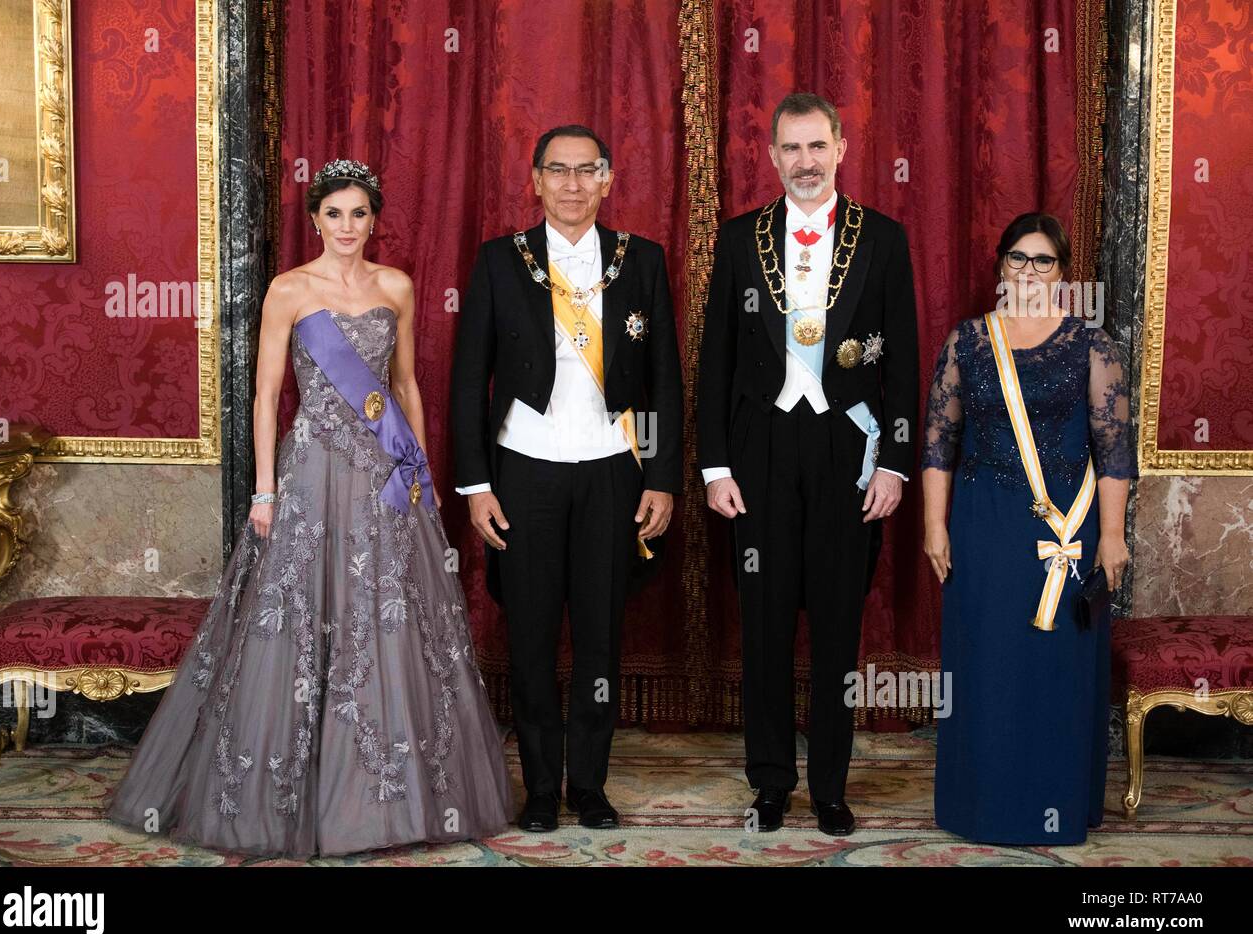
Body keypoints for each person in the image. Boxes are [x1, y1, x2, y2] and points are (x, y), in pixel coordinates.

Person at [106, 159, 513, 858]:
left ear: (374, 219)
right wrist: (265, 489)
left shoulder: (397, 287)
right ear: (315, 219)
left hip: (385, 478)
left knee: (388, 627)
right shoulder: (289, 290)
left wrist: (418, 467)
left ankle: (391, 798)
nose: (347, 227)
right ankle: (289, 798)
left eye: (359, 214)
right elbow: (267, 397)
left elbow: (407, 385)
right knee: (294, 626)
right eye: (334, 214)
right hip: (312, 475)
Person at [697, 93, 919, 835]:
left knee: (835, 628)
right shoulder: (738, 241)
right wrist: (713, 467)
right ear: (771, 156)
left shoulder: (883, 240)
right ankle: (769, 784)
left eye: (817, 146)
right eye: (790, 149)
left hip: (846, 453)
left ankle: (829, 785)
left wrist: (895, 464)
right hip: (759, 454)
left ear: (842, 147)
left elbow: (906, 364)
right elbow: (715, 362)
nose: (805, 162)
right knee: (762, 629)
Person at [450, 125, 682, 832]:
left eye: (588, 171)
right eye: (559, 171)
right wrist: (475, 485)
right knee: (530, 635)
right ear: (536, 180)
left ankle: (590, 787)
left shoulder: (640, 260)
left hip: (614, 470)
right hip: (524, 471)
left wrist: (663, 476)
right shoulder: (500, 260)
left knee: (600, 638)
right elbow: (467, 382)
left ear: (608, 180)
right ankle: (542, 788)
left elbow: (666, 378)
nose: (574, 184)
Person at [922, 211, 1133, 845]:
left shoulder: (1094, 347)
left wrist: (1114, 536)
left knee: (1054, 665)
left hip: (1065, 527)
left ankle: (1053, 802)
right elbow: (938, 443)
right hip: (984, 527)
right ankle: (982, 805)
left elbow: (1115, 453)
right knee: (987, 663)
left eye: (1043, 261)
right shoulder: (968, 342)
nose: (1030, 271)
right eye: (1018, 258)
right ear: (1001, 267)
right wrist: (936, 525)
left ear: (1063, 272)